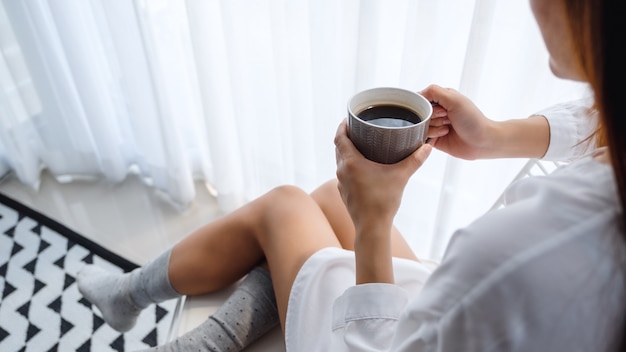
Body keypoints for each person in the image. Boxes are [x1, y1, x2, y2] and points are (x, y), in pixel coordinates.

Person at [77, 0, 626, 350]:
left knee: (287, 204)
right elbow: (601, 118)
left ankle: (138, 301)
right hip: (471, 318)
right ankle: (160, 312)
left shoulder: (521, 251)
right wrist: (497, 137)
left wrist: (374, 223)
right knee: (325, 200)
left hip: (385, 341)